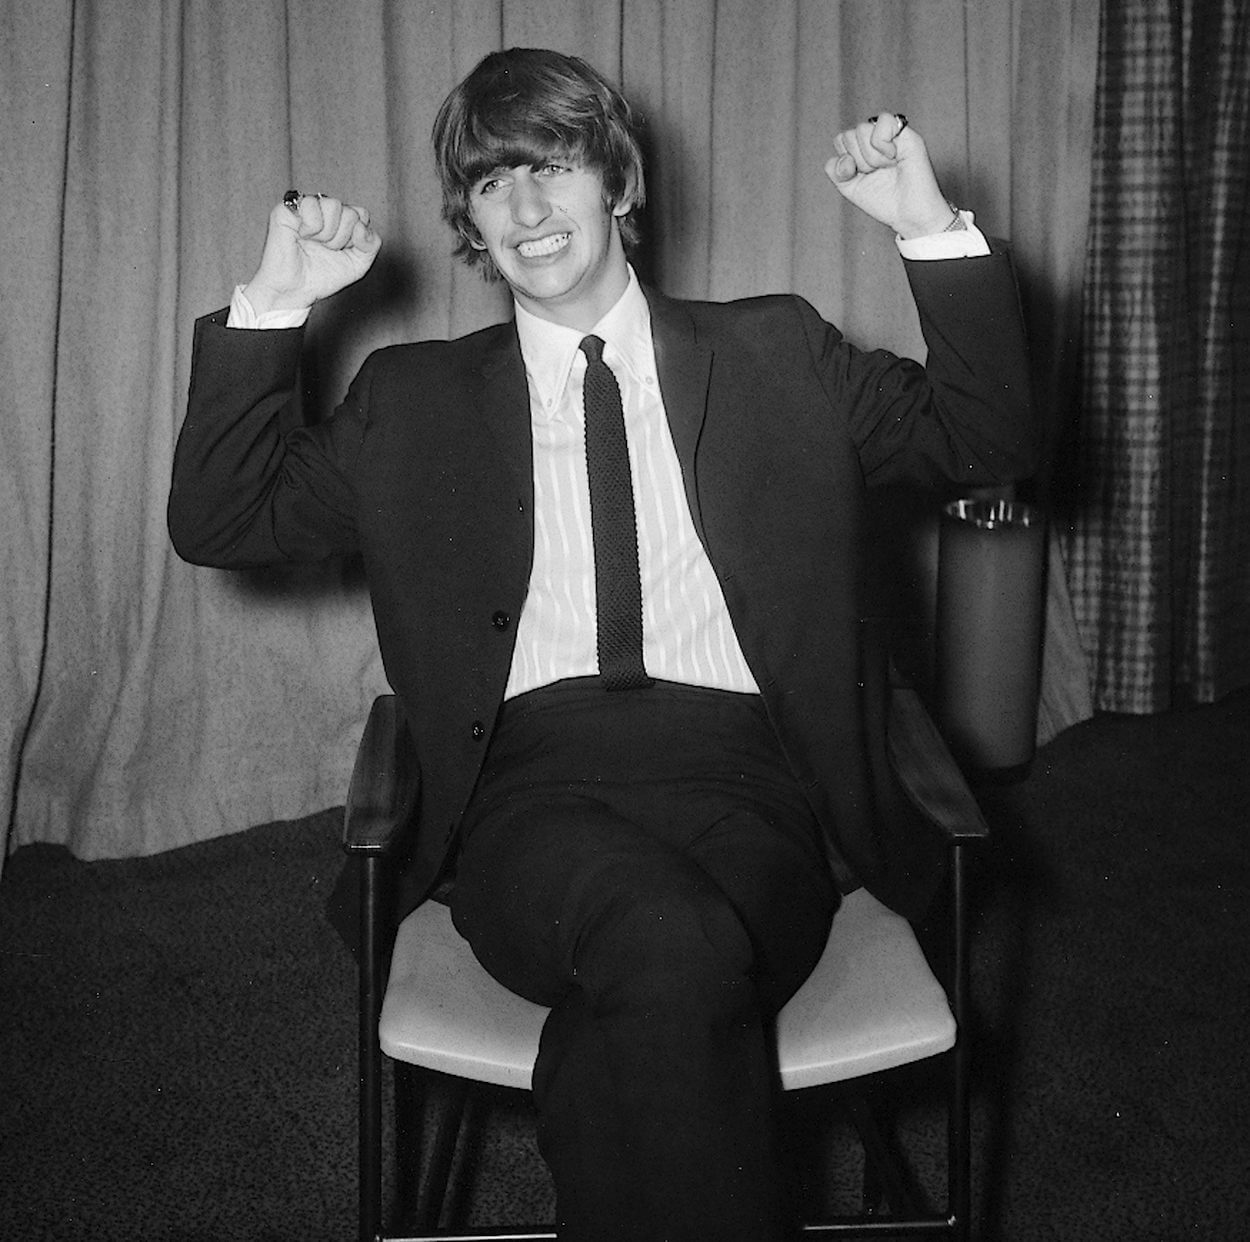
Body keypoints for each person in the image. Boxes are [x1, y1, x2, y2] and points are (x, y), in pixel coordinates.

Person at [169, 47, 1035, 1242]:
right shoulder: (409, 401)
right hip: (527, 799)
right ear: (467, 222)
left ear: (617, 183)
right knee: (664, 944)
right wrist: (276, 301)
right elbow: (222, 520)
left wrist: (925, 224)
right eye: (488, 184)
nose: (524, 208)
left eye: (552, 165)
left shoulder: (778, 353)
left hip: (757, 790)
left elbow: (989, 438)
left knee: (638, 1001)